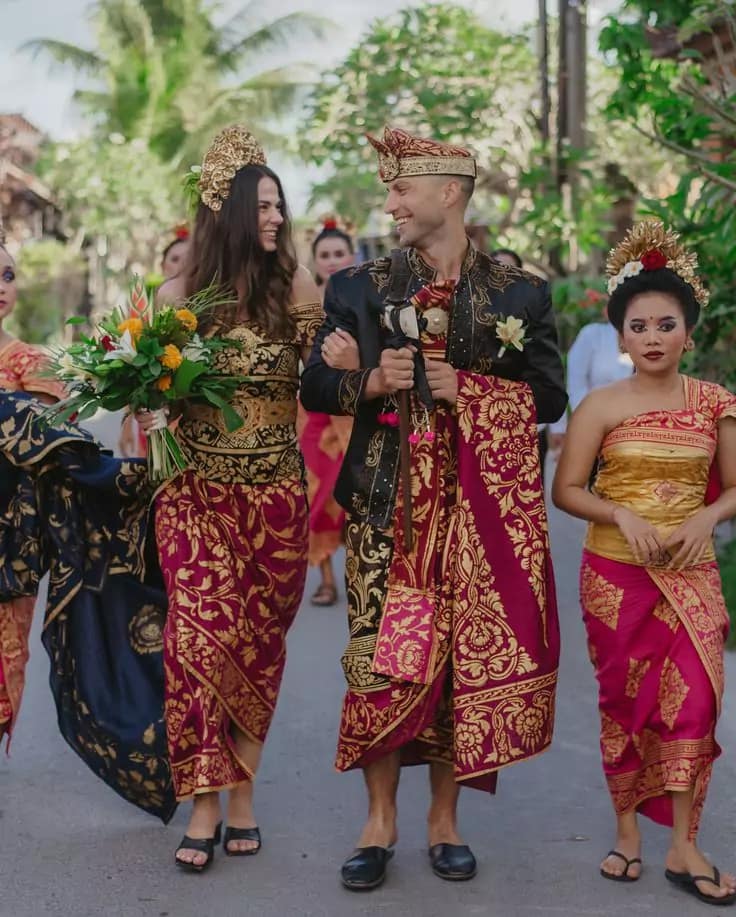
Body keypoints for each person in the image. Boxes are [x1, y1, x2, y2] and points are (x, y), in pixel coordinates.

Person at [301, 126, 567, 890]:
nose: (390, 205)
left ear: (448, 193)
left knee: (453, 669)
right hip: (385, 507)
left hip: (475, 517)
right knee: (380, 662)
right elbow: (315, 386)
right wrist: (371, 384)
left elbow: (551, 396)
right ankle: (378, 820)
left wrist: (474, 390)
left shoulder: (521, 294)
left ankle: (443, 821)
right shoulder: (357, 286)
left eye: (402, 191)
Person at [138, 126, 322, 872]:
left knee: (258, 644)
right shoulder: (177, 298)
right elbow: (147, 396)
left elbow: (325, 389)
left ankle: (242, 784)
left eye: (281, 204)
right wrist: (147, 411)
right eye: (266, 204)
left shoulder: (300, 288)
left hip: (277, 497)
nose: (277, 217)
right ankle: (205, 796)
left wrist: (348, 365)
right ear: (232, 211)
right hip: (195, 494)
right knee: (195, 640)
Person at [552, 221, 736, 905]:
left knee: (696, 702)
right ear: (620, 338)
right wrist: (619, 511)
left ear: (689, 329)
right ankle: (628, 829)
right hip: (615, 574)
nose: (653, 336)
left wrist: (707, 514)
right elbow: (565, 489)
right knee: (626, 704)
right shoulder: (599, 405)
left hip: (690, 576)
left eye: (667, 323)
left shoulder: (715, 402)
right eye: (639, 325)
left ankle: (685, 844)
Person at [0, 239, 66, 742]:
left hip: (12, 534)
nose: (2, 288)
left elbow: (55, 440)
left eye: (8, 275)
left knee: (5, 655)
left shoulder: (31, 362)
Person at [298, 219, 356, 605]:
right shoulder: (304, 302)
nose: (333, 261)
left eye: (339, 253)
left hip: (356, 408)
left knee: (357, 495)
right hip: (315, 413)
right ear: (315, 261)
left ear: (351, 256)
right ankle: (325, 577)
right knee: (317, 496)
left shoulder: (369, 296)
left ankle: (359, 576)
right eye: (325, 255)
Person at [546, 291, 633, 455]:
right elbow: (575, 384)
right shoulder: (592, 334)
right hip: (591, 427)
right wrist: (596, 422)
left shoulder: (649, 339)